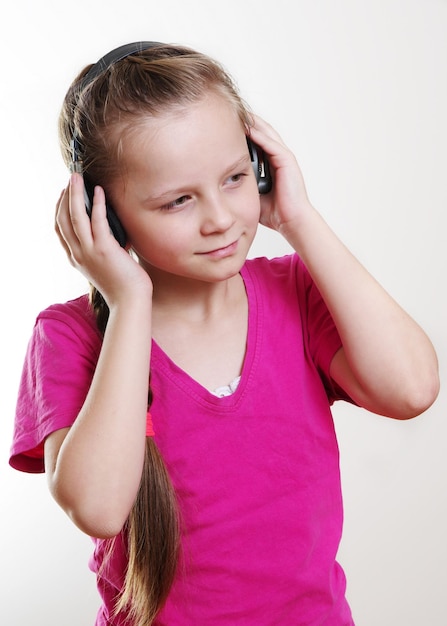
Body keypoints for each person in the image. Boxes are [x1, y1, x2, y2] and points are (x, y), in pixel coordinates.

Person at [9, 41, 439, 626]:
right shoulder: (69, 336)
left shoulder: (296, 290)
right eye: (177, 200)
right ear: (105, 217)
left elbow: (411, 389)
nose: (220, 218)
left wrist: (298, 219)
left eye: (235, 177)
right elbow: (99, 507)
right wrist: (130, 299)